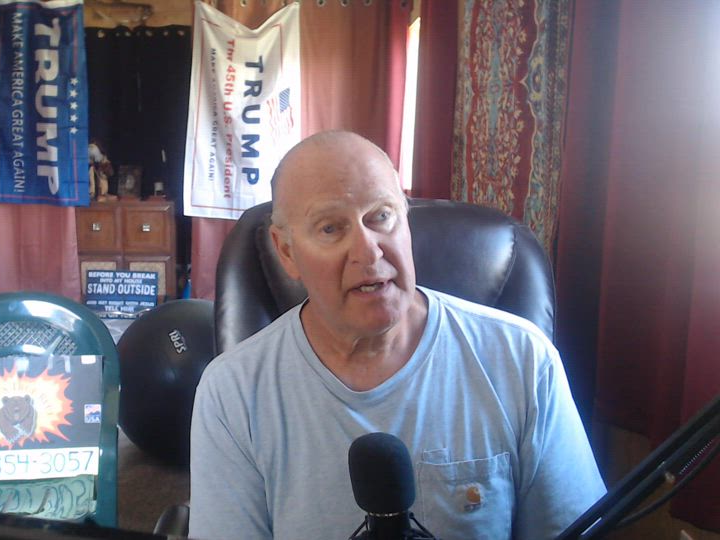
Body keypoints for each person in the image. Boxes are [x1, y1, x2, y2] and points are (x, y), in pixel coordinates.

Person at [189, 131, 605, 540]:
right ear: (286, 252)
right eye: (331, 228)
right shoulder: (233, 391)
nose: (368, 250)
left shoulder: (522, 359)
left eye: (381, 216)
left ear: (406, 222)